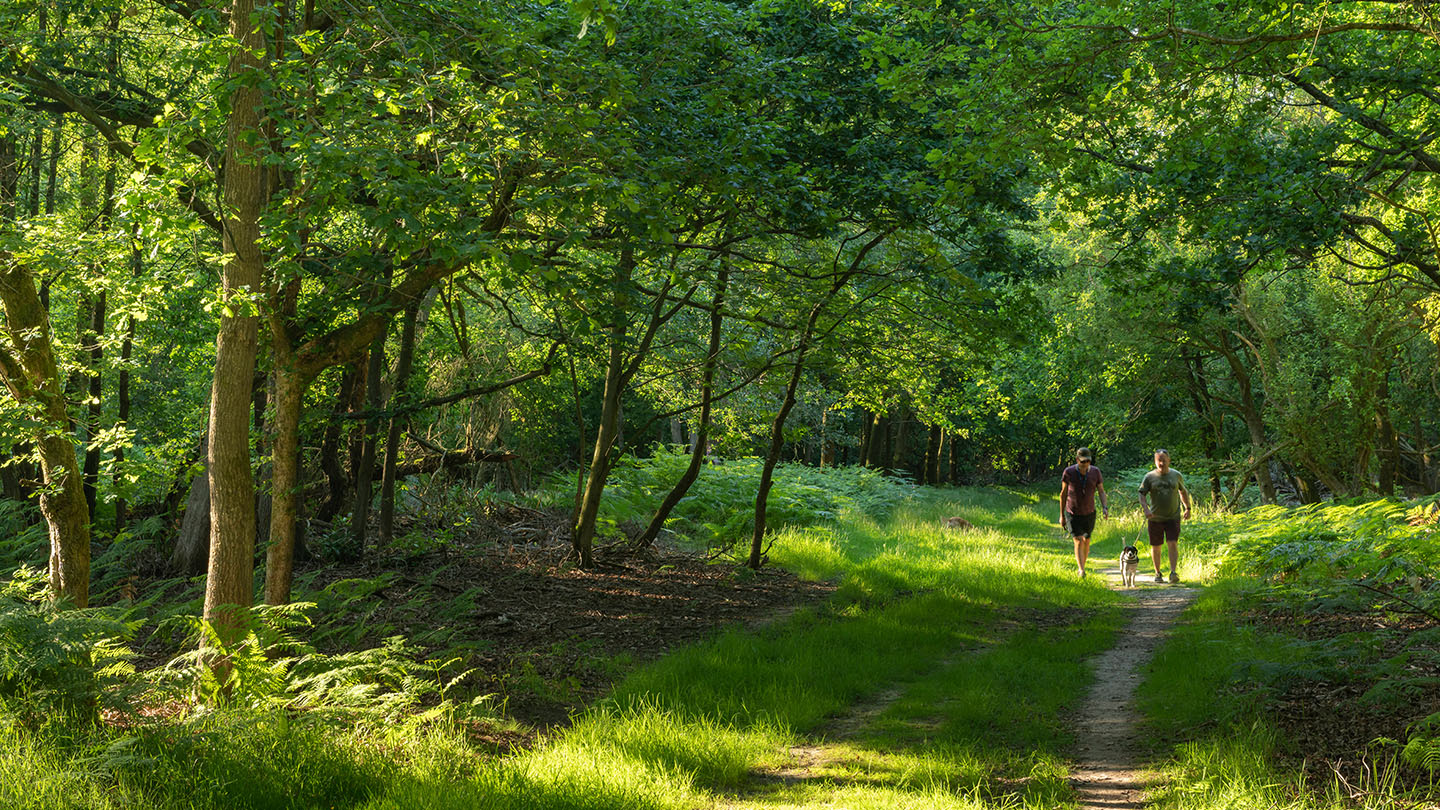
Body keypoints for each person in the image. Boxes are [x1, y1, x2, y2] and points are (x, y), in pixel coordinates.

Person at [1138, 448, 1192, 583]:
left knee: (1172, 543)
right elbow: (1141, 494)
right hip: (1155, 518)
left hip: (1173, 517)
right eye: (1158, 461)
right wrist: (1146, 509)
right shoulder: (1149, 477)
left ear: (1169, 460)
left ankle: (1173, 573)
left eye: (1163, 460)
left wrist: (1188, 508)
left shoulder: (1176, 475)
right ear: (1155, 461)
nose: (1161, 463)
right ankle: (1157, 573)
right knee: (1156, 546)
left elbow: (1183, 492)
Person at [1059, 447, 1108, 578]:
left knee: (1086, 540)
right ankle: (1081, 570)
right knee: (1078, 540)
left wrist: (1105, 507)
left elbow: (1101, 491)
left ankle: (1083, 565)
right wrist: (1062, 515)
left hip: (1089, 512)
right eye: (1083, 461)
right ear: (1077, 460)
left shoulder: (1095, 472)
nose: (1086, 464)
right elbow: (1063, 494)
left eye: (1088, 461)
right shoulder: (1068, 472)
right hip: (1072, 512)